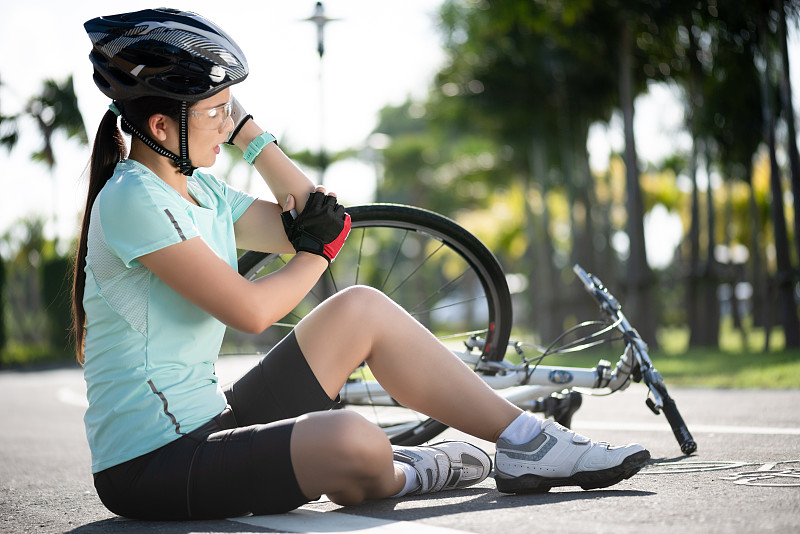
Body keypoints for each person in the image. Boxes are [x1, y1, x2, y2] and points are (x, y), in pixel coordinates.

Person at [73, 8, 651, 521]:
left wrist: (251, 136)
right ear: (160, 126)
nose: (228, 125)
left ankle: (529, 442)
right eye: (217, 113)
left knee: (360, 308)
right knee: (352, 438)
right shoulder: (133, 200)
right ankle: (406, 471)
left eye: (232, 112)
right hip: (153, 466)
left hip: (214, 423)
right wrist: (314, 251)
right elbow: (251, 309)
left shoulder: (204, 193)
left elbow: (320, 217)